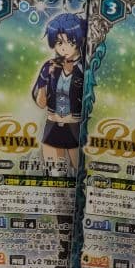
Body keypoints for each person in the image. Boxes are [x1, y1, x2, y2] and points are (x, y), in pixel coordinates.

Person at [31, 13, 87, 174]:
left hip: (75, 127)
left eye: (71, 42)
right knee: (54, 175)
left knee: (79, 174)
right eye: (59, 42)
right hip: (52, 126)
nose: (64, 48)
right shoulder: (50, 67)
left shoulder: (85, 68)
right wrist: (43, 80)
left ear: (80, 40)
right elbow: (41, 103)